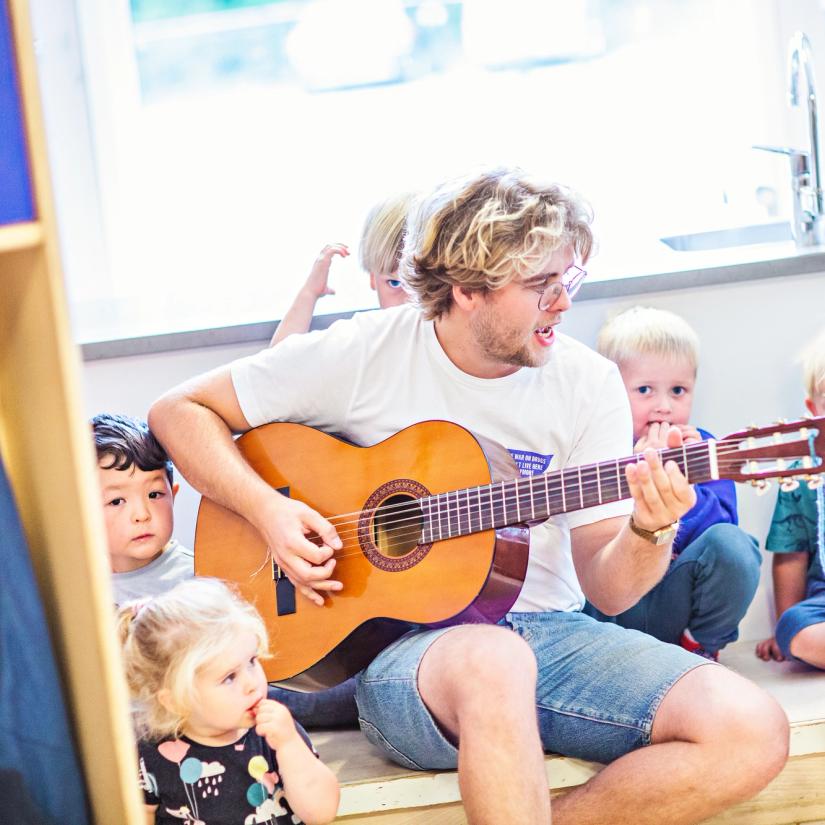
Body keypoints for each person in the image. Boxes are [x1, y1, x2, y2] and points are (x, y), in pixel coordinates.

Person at [149, 168, 788, 825]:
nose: (563, 304)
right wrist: (268, 509)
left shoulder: (586, 382)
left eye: (567, 280)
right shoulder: (363, 352)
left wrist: (649, 530)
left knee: (751, 727)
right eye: (541, 285)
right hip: (410, 656)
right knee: (493, 657)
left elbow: (611, 591)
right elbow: (178, 411)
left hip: (555, 634)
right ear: (465, 289)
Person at [584, 306, 761, 659]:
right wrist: (636, 473)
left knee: (735, 544)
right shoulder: (593, 451)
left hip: (676, 609)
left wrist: (686, 482)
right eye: (645, 390)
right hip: (609, 614)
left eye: (678, 390)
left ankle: (699, 648)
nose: (664, 406)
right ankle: (605, 659)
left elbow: (724, 538)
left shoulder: (707, 449)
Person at [118, 577, 339, 825]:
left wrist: (289, 745)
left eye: (252, 662)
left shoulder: (275, 734)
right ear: (174, 700)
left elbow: (322, 813)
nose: (252, 683)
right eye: (229, 678)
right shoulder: (150, 752)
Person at [756, 328, 825, 669]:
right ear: (813, 411)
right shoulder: (802, 475)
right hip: (823, 604)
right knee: (796, 629)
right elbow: (790, 557)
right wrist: (784, 626)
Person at [270, 192, 413, 345]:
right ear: (373, 277)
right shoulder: (367, 340)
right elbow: (277, 362)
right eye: (395, 284)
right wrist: (308, 294)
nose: (409, 302)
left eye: (425, 286)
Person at [92, 413, 193, 607]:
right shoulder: (81, 590)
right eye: (116, 501)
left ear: (173, 495)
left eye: (154, 495)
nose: (142, 515)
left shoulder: (201, 578)